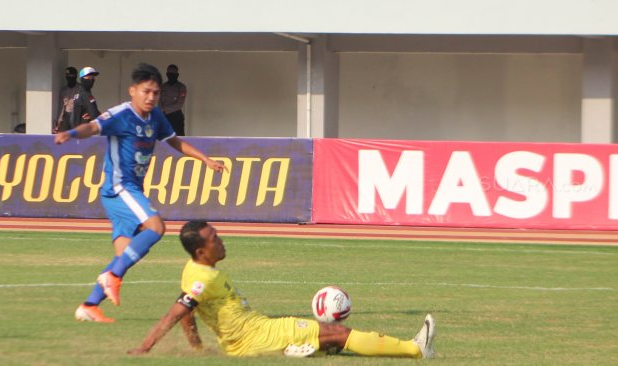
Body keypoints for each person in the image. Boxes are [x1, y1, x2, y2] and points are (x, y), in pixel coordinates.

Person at [54, 63, 228, 323]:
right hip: (120, 187)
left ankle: (89, 305)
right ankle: (112, 277)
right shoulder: (120, 115)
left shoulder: (156, 116)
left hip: (131, 189)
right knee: (156, 228)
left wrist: (205, 159)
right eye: (146, 91)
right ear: (132, 90)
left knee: (123, 257)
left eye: (155, 93)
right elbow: (92, 128)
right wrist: (70, 132)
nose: (151, 97)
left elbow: (174, 141)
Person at [127, 221, 436, 359]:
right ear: (200, 251)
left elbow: (186, 311)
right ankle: (415, 349)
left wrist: (196, 349)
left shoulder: (195, 271)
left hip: (255, 333)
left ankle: (298, 350)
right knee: (338, 333)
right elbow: (177, 311)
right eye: (214, 239)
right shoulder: (201, 279)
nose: (221, 240)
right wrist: (145, 346)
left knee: (327, 342)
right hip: (257, 336)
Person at [159, 64, 187, 136]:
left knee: (178, 139)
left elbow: (179, 104)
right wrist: (161, 112)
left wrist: (165, 110)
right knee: (163, 138)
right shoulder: (163, 87)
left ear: (177, 75)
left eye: (173, 74)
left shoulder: (181, 87)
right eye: (170, 73)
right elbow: (159, 102)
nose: (171, 75)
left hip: (176, 117)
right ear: (167, 74)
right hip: (164, 116)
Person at [53, 67, 80, 133]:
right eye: (68, 76)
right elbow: (61, 107)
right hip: (66, 116)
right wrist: (59, 122)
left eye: (72, 75)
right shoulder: (63, 90)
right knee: (62, 134)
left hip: (77, 115)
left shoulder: (81, 88)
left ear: (75, 76)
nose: (70, 77)